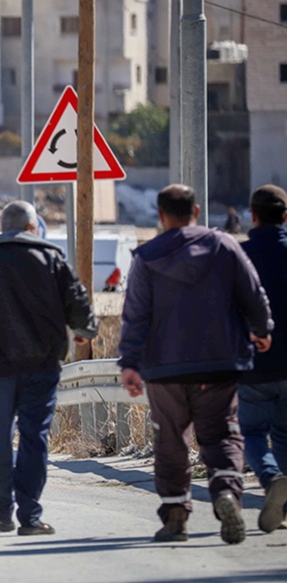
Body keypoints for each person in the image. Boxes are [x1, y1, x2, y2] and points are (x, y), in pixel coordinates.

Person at [118, 184, 273, 545]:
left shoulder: (146, 257)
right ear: (197, 211)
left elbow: (135, 316)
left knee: (170, 440)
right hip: (218, 362)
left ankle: (175, 517)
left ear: (160, 215)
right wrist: (262, 328)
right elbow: (253, 292)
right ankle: (225, 493)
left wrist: (129, 362)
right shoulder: (224, 245)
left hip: (164, 370)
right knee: (221, 434)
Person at [0, 201, 98, 537]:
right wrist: (85, 331)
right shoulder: (51, 257)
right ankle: (30, 517)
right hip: (41, 366)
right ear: (32, 227)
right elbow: (78, 302)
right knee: (34, 438)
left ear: (3, 228)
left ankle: (1, 510)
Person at [237, 184, 287, 533]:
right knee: (285, 433)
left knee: (251, 430)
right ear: (285, 216)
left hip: (253, 363)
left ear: (252, 216)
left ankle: (271, 481)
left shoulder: (238, 258)